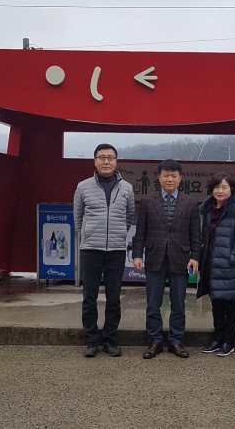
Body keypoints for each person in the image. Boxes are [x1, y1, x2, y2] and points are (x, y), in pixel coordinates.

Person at [133, 159, 202, 359]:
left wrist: (195, 257)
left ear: (180, 178)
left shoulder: (190, 203)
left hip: (181, 259)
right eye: (166, 175)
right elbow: (140, 231)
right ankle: (154, 341)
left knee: (178, 303)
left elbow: (195, 235)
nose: (169, 179)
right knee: (153, 303)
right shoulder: (148, 201)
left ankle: (176, 341)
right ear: (159, 177)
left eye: (173, 175)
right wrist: (137, 255)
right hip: (154, 258)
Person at [73, 144, 135, 358]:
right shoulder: (83, 186)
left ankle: (110, 339)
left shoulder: (127, 188)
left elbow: (129, 217)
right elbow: (78, 217)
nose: (106, 161)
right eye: (102, 157)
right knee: (89, 297)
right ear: (95, 161)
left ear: (116, 161)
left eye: (110, 157)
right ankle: (91, 340)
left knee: (113, 298)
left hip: (116, 250)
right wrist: (88, 234)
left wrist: (118, 234)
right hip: (91, 249)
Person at [198, 173, 235, 357]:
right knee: (216, 304)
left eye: (224, 187)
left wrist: (233, 257)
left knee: (230, 304)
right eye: (216, 187)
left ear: (232, 190)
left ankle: (229, 341)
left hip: (229, 265)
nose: (220, 191)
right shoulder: (207, 209)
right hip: (211, 264)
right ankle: (217, 339)